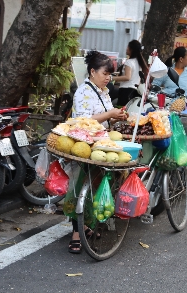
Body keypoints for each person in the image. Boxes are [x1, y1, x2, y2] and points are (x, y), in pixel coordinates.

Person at [69, 51, 127, 253]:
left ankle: (86, 225)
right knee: (82, 187)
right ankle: (76, 233)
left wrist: (116, 116)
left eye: (111, 74)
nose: (108, 78)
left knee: (96, 185)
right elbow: (84, 120)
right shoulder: (83, 92)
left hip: (102, 143)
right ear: (92, 72)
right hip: (85, 145)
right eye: (105, 73)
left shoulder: (104, 91)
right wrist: (110, 114)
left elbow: (105, 116)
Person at [112, 40, 148, 106]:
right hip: (134, 91)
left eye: (128, 47)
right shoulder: (138, 62)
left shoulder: (129, 62)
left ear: (131, 49)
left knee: (121, 110)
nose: (126, 49)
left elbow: (127, 77)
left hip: (125, 91)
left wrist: (112, 78)